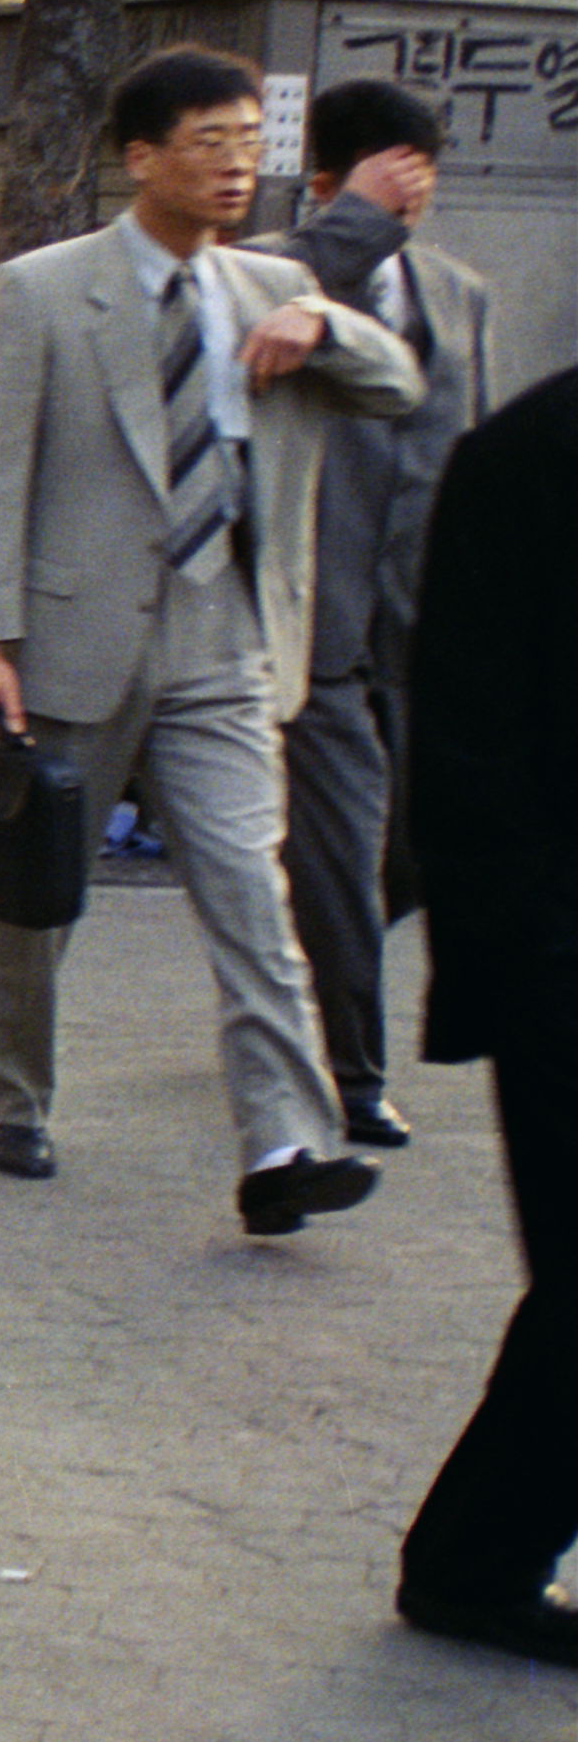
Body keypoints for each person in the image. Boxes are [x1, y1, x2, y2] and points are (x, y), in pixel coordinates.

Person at [0, 45, 421, 1232]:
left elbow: (397, 385)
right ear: (139, 156)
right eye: (207, 143)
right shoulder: (45, 289)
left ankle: (281, 1145)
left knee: (248, 894)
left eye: (247, 145)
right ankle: (10, 1097)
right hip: (72, 637)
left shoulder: (269, 292)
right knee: (35, 899)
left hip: (223, 635)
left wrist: (323, 324)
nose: (232, 168)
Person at [253, 80, 494, 1153]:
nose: (414, 191)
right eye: (392, 169)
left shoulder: (457, 292)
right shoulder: (276, 270)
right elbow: (288, 290)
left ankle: (294, 966)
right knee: (346, 855)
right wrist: (352, 216)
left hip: (425, 628)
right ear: (327, 182)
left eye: (423, 172)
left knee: (413, 851)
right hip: (316, 630)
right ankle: (351, 1077)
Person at [391, 354, 578, 1665]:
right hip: (562, 956)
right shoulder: (527, 459)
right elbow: (461, 740)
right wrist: (528, 956)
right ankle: (472, 1562)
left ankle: (475, 1556)